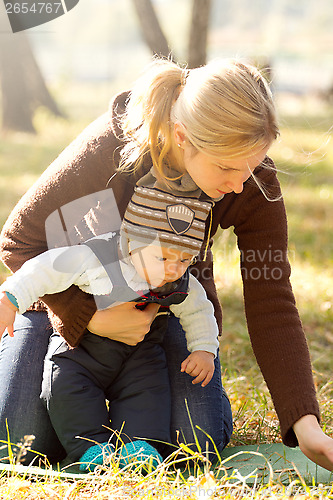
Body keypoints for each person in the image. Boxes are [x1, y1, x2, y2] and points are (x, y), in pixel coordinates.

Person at [0, 57, 333, 471]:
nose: (239, 184)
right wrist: (85, 315)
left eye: (251, 166)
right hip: (66, 298)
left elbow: (272, 300)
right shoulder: (114, 145)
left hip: (161, 313)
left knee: (196, 441)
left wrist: (305, 425)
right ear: (181, 136)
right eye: (227, 167)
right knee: (18, 437)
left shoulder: (250, 178)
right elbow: (19, 239)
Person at [0, 185, 219, 470]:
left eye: (185, 259)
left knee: (149, 393)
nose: (174, 269)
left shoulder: (178, 276)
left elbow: (198, 308)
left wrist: (204, 349)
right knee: (66, 389)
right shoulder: (94, 257)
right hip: (80, 350)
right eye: (163, 258)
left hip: (140, 354)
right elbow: (44, 269)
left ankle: (139, 448)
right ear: (131, 242)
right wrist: (10, 299)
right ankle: (91, 449)